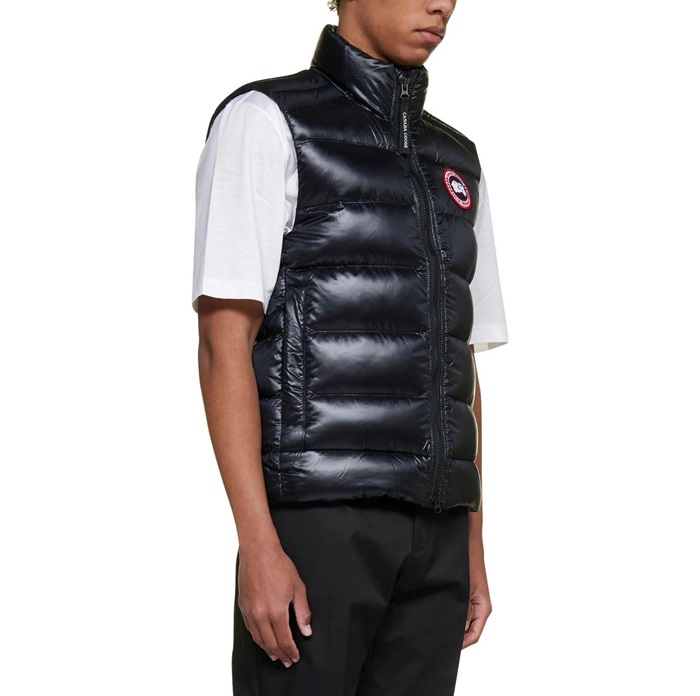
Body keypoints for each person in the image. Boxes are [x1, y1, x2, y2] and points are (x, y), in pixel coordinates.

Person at [193, 1, 508, 694]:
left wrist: (471, 541)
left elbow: (461, 364)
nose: (443, 4)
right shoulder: (267, 121)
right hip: (317, 522)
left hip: (437, 537)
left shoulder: (457, 161)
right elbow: (223, 342)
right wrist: (259, 544)